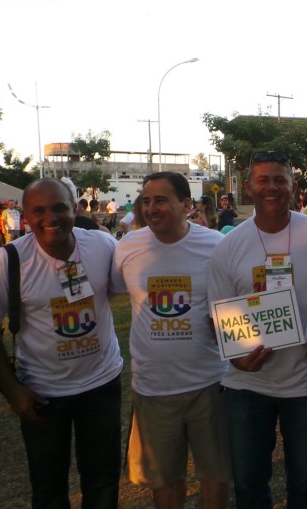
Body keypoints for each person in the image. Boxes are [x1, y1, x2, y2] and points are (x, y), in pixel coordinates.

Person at [0, 177, 123, 509]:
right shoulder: (6, 261)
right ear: (24, 215)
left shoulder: (102, 246)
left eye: (59, 208)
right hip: (42, 393)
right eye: (38, 210)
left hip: (101, 384)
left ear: (74, 208)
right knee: (49, 487)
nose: (50, 218)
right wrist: (13, 391)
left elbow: (117, 290)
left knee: (103, 482)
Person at [207, 151, 307, 509]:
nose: (272, 187)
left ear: (294, 188)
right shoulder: (228, 247)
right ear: (248, 187)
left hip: (306, 383)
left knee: (306, 483)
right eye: (263, 180)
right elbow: (217, 316)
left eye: (281, 180)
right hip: (247, 386)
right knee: (248, 484)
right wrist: (237, 361)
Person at [111, 172, 230, 509]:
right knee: (164, 478)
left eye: (161, 200)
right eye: (146, 201)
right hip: (153, 388)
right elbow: (111, 291)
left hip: (211, 383)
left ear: (186, 205)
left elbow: (232, 301)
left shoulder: (215, 245)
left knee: (216, 473)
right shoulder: (127, 247)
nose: (151, 208)